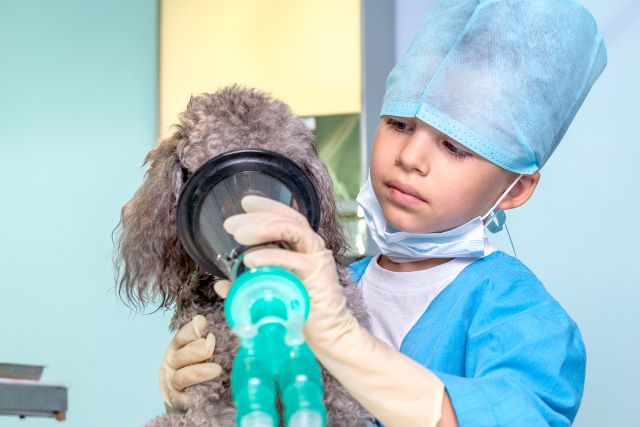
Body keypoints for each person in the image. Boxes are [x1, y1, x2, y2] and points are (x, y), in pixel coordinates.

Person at [158, 0, 607, 425]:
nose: (410, 157)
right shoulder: (331, 282)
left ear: (516, 187)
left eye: (454, 146)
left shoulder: (523, 319)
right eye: (399, 124)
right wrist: (188, 388)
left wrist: (345, 343)